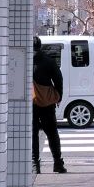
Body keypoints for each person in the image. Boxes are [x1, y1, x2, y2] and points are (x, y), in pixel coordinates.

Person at [31, 37, 67, 174]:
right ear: (40, 46)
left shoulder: (26, 60)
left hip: (31, 103)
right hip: (47, 103)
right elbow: (59, 80)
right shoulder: (49, 61)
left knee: (32, 133)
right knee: (52, 133)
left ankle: (35, 164)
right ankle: (57, 163)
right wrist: (58, 97)